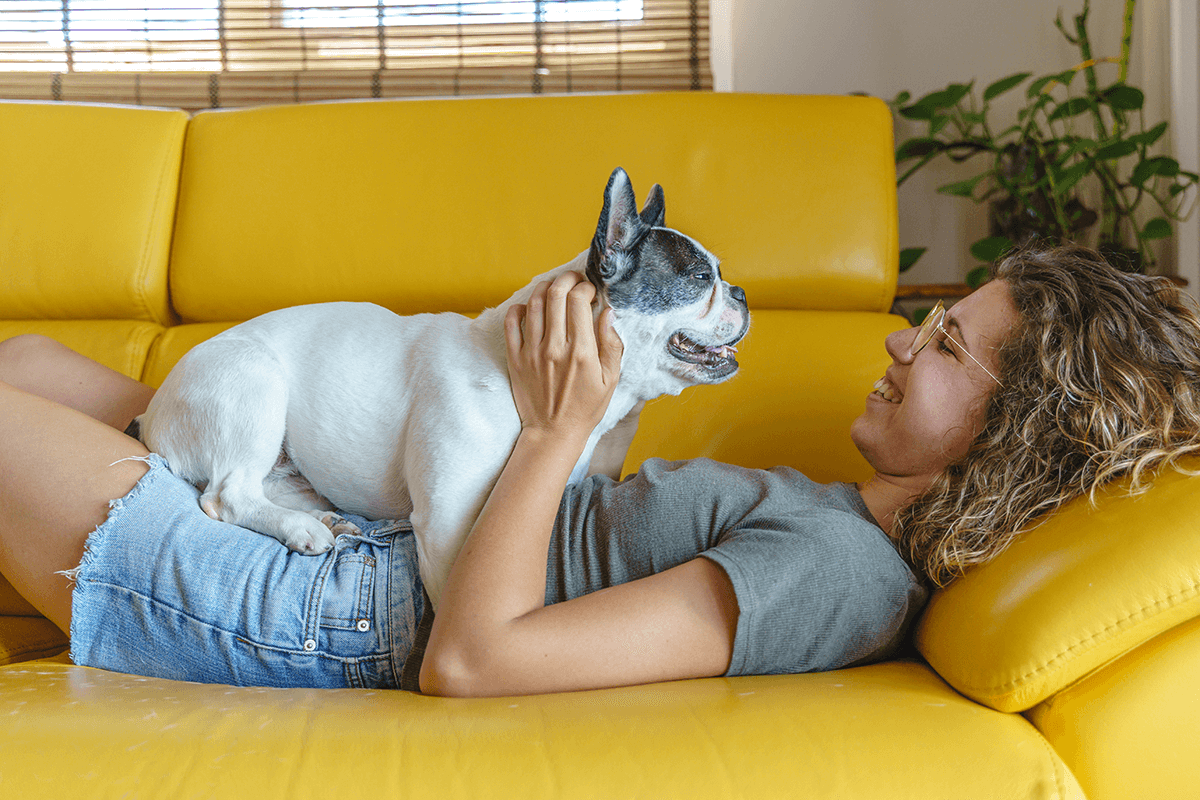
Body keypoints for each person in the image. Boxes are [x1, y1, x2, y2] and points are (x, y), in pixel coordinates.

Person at [0, 244, 1197, 697]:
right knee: (30, 356)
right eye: (921, 321)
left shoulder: (840, 570)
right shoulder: (835, 512)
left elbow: (474, 656)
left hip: (333, 604)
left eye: (945, 345)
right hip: (365, 506)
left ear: (1017, 423)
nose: (899, 338)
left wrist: (553, 423)